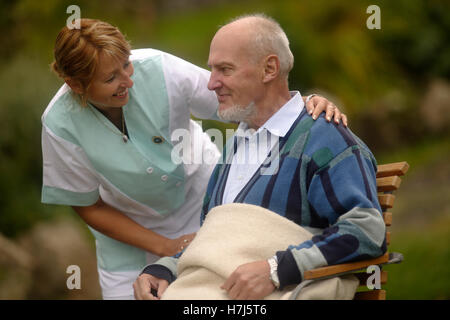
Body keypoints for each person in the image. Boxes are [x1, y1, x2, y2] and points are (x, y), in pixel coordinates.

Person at [41, 18, 345, 299]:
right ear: (76, 85)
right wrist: (165, 247)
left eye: (126, 65)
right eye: (111, 78)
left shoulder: (161, 69)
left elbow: (242, 100)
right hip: (128, 241)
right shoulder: (59, 125)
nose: (128, 80)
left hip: (204, 210)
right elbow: (88, 205)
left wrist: (302, 106)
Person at [133, 14, 386, 300]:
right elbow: (216, 244)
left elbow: (368, 230)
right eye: (212, 70)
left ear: (269, 69)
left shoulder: (324, 139)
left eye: (225, 70)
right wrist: (164, 269)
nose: (211, 83)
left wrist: (277, 269)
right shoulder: (235, 146)